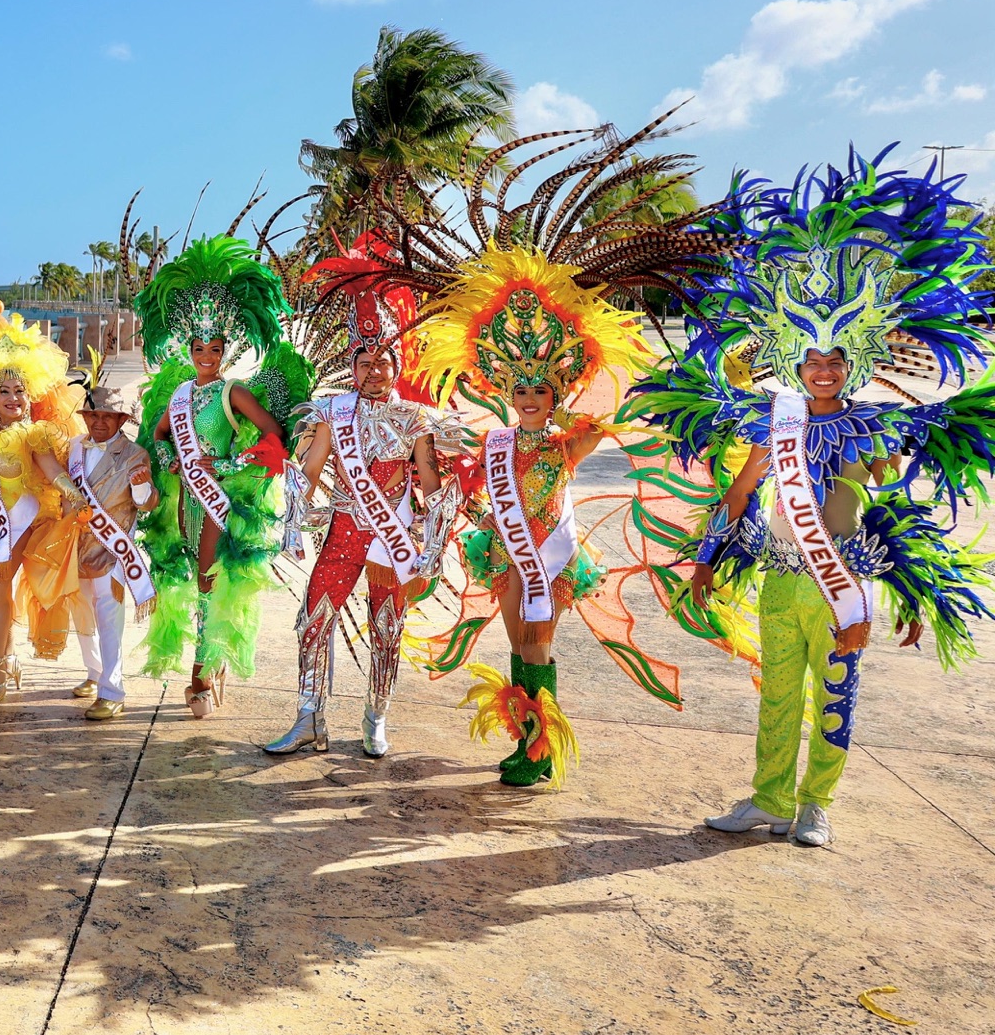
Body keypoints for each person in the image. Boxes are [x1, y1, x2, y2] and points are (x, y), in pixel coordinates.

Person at [632, 147, 995, 847]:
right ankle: (769, 799)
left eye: (835, 359)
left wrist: (914, 595)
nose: (823, 369)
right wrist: (706, 560)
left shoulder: (871, 430)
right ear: (792, 364)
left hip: (840, 585)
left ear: (852, 362)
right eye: (811, 360)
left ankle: (815, 805)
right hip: (778, 579)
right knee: (775, 698)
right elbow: (741, 494)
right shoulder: (775, 423)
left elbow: (893, 512)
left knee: (834, 701)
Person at [415, 247, 686, 787]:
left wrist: (566, 403)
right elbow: (453, 463)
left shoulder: (567, 444)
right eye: (521, 389)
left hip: (551, 559)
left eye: (541, 389)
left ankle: (542, 750)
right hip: (505, 552)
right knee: (518, 646)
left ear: (555, 394)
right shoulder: (497, 440)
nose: (531, 397)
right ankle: (528, 740)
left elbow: (608, 418)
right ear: (507, 394)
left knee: (538, 641)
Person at [278, 273, 461, 756]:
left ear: (396, 366)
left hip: (390, 535)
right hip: (342, 531)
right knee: (313, 617)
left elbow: (429, 481)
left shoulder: (415, 417)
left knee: (386, 626)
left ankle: (376, 718)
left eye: (382, 362)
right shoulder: (331, 411)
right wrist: (295, 507)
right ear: (352, 367)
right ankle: (308, 716)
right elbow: (312, 467)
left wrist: (432, 543)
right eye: (365, 362)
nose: (374, 371)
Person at [134, 237, 311, 717]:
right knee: (190, 579)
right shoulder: (180, 393)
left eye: (215, 348)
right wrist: (171, 456)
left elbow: (276, 434)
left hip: (220, 500)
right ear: (189, 349)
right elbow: (160, 433)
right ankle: (211, 666)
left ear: (225, 351)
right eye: (199, 347)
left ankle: (202, 674)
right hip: (183, 500)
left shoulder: (233, 391)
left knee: (211, 581)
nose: (206, 355)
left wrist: (230, 465)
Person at [0, 301, 89, 703]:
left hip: (17, 521)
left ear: (31, 398)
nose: (13, 398)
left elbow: (55, 471)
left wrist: (73, 492)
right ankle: (8, 657)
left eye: (20, 392)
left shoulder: (35, 434)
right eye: (4, 391)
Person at [66, 380, 157, 721]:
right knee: (81, 615)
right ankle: (94, 673)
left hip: (112, 550)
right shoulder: (74, 448)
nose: (99, 422)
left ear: (121, 420)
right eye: (93, 415)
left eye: (108, 416)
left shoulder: (135, 454)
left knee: (108, 619)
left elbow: (148, 504)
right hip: (75, 548)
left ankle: (113, 691)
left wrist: (140, 488)